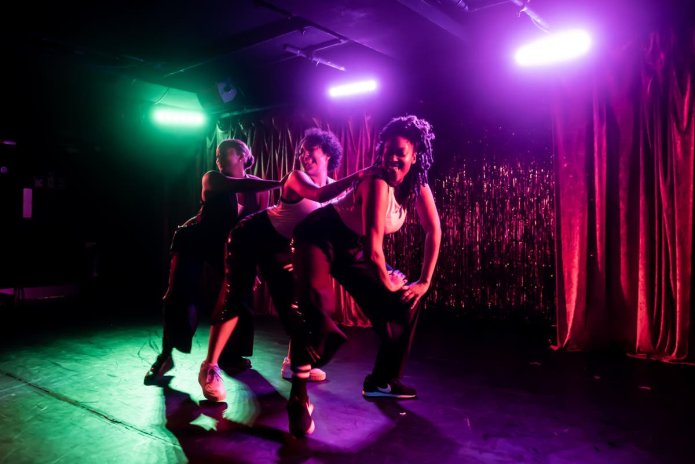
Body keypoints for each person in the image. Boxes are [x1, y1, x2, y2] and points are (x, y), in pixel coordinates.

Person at [286, 115, 441, 436]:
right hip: (317, 235)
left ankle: (381, 381)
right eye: (386, 151)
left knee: (407, 301)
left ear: (415, 155)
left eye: (400, 152)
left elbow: (433, 230)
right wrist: (387, 282)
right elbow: (374, 250)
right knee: (318, 315)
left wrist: (424, 282)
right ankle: (298, 398)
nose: (391, 158)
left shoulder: (418, 186)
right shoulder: (377, 182)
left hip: (350, 245)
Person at [198, 128, 378, 402]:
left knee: (300, 302)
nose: (304, 155)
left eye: (310, 150)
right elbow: (318, 195)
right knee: (234, 297)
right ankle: (210, 366)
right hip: (250, 234)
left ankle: (294, 362)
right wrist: (360, 175)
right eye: (301, 151)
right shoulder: (298, 178)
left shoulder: (335, 189)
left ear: (328, 154)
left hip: (281, 247)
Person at [144, 139, 281, 384]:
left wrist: (256, 268)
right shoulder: (212, 178)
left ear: (242, 155)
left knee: (239, 296)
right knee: (178, 297)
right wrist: (282, 182)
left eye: (223, 153)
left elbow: (256, 226)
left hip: (226, 247)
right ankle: (165, 356)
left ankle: (231, 354)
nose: (217, 158)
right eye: (216, 154)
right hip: (195, 241)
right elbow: (238, 186)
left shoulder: (258, 189)